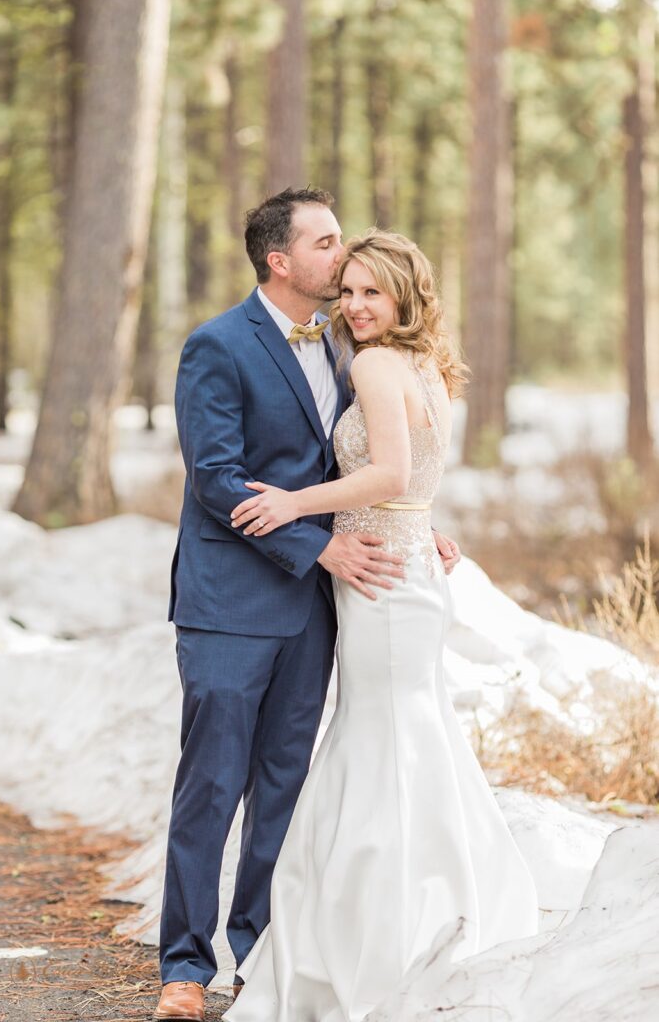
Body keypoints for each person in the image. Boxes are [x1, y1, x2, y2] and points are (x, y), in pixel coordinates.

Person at [155, 190, 460, 1022]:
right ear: (280, 261)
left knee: (286, 786)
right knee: (211, 784)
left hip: (324, 605)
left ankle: (262, 950)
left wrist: (413, 525)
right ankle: (184, 967)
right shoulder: (216, 345)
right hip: (230, 601)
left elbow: (386, 455)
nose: (343, 256)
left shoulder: (345, 342)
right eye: (326, 244)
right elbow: (216, 479)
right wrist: (316, 543)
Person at [222, 229, 539, 1022]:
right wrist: (414, 522)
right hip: (406, 565)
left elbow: (393, 472)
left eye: (373, 291)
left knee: (384, 738)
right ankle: (439, 903)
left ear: (405, 294)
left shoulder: (371, 363)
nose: (355, 306)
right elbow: (415, 481)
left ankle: (383, 929)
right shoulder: (428, 364)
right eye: (349, 290)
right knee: (408, 732)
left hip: (383, 577)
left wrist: (293, 503)